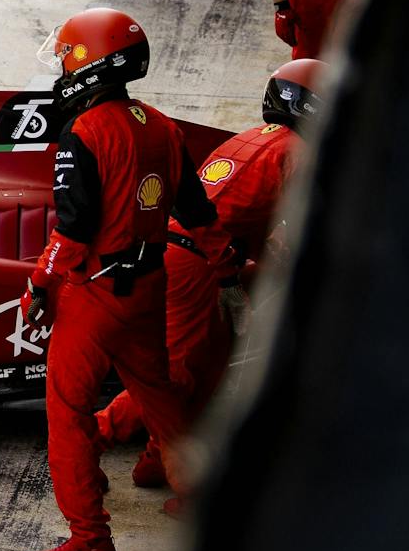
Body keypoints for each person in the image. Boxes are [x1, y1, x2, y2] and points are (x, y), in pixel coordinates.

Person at [20, 8, 237, 551]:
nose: (62, 67)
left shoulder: (84, 132)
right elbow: (196, 210)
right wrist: (227, 261)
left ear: (91, 64)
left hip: (95, 295)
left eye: (68, 56)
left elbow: (73, 228)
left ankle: (89, 539)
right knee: (159, 394)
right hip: (151, 286)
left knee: (67, 414)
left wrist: (39, 283)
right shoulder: (163, 125)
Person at [97, 59, 326, 484]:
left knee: (210, 370)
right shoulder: (299, 153)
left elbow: (244, 214)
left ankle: (156, 465)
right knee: (179, 376)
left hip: (190, 257)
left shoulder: (253, 140)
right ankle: (91, 438)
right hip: (198, 264)